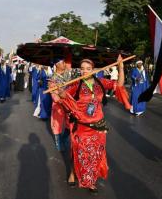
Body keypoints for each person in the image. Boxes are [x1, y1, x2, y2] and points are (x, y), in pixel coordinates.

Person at [53, 55, 130, 194]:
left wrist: (121, 67)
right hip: (81, 126)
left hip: (98, 126)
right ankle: (72, 173)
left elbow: (119, 85)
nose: (85, 71)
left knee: (95, 154)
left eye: (88, 69)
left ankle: (91, 181)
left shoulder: (100, 82)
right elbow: (60, 99)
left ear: (93, 69)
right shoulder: (75, 85)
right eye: (82, 69)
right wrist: (58, 91)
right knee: (78, 151)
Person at [49, 58, 71, 151]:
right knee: (57, 124)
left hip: (69, 102)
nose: (65, 64)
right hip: (58, 103)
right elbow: (54, 94)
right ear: (57, 65)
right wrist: (60, 99)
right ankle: (58, 142)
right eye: (63, 63)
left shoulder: (68, 75)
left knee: (69, 122)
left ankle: (64, 138)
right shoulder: (52, 79)